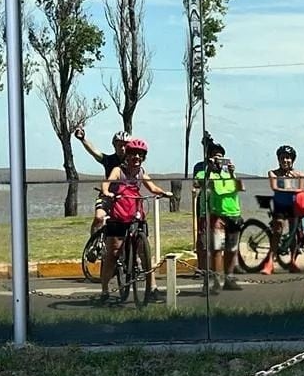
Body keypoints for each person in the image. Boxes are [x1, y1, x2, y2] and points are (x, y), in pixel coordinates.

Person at [97, 138, 173, 304]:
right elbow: (107, 182)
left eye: (140, 155)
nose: (136, 157)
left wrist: (163, 192)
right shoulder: (118, 170)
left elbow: (151, 187)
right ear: (127, 156)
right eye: (133, 154)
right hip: (118, 213)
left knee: (145, 252)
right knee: (113, 253)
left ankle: (152, 288)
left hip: (134, 212)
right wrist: (106, 192)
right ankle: (104, 290)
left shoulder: (141, 172)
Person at [194, 142, 245, 293]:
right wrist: (209, 170)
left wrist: (231, 173)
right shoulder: (203, 173)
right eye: (214, 156)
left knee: (231, 248)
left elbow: (241, 187)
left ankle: (229, 277)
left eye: (220, 156)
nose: (218, 159)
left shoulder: (228, 173)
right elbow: (199, 184)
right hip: (216, 215)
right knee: (216, 249)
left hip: (233, 213)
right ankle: (216, 281)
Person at [74, 127, 129, 238]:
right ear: (114, 145)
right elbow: (94, 152)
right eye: (119, 145)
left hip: (125, 197)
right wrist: (83, 139)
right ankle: (93, 243)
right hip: (107, 196)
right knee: (99, 217)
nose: (122, 148)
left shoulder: (133, 162)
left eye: (125, 145)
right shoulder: (109, 160)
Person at [268, 144, 304, 273]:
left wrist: (290, 185)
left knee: (294, 234)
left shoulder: (298, 174)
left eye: (288, 158)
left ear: (293, 159)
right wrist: (291, 185)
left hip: (293, 205)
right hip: (279, 204)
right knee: (278, 230)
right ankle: (270, 262)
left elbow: (301, 188)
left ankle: (293, 261)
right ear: (278, 159)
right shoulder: (273, 173)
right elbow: (274, 187)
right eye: (282, 158)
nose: (285, 160)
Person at [191, 131, 216, 277]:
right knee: (202, 237)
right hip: (203, 203)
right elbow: (197, 183)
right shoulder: (199, 166)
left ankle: (214, 266)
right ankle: (201, 266)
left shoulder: (223, 168)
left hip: (218, 204)